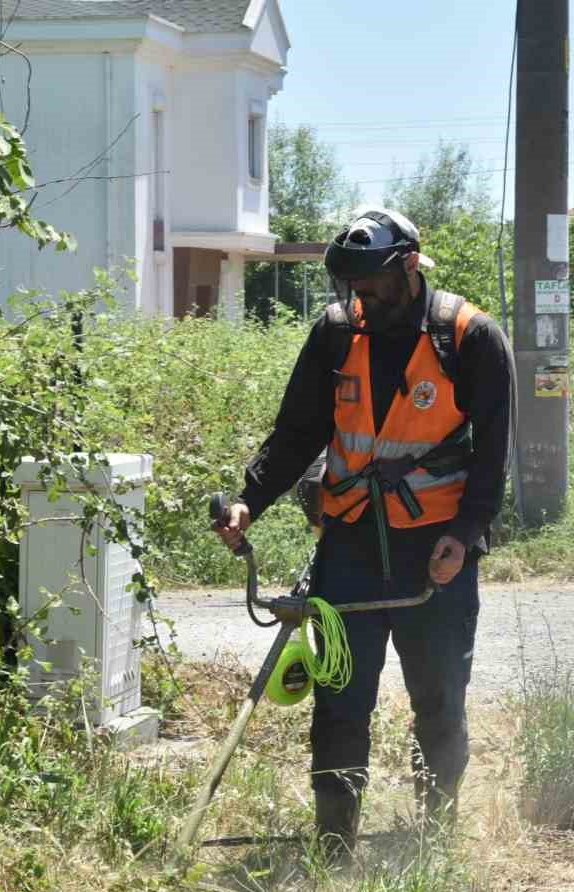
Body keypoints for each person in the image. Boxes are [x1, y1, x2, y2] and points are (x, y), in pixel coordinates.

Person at [214, 209, 516, 857]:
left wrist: (464, 535)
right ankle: (333, 848)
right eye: (352, 289)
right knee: (341, 704)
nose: (362, 301)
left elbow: (492, 459)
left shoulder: (470, 337)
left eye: (373, 287)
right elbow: (296, 434)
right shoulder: (334, 335)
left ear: (409, 266)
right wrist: (249, 501)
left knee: (438, 701)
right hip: (350, 547)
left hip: (434, 553)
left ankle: (433, 840)